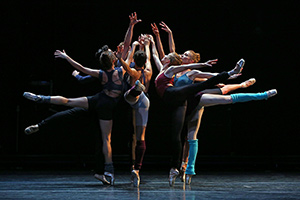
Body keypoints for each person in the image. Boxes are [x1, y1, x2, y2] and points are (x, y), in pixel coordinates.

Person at [150, 36, 277, 186]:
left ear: (191, 61)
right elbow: (165, 54)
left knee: (222, 99)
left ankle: (258, 94)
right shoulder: (170, 70)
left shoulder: (191, 72)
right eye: (182, 55)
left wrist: (225, 75)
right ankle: (181, 166)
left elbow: (209, 76)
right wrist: (159, 37)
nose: (182, 56)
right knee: (183, 136)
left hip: (194, 100)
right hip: (180, 104)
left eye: (186, 55)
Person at [24, 46, 126, 185]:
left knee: (68, 101)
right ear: (114, 60)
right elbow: (130, 53)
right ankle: (109, 171)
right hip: (106, 108)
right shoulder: (121, 70)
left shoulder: (100, 73)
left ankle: (42, 98)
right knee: (106, 140)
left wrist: (66, 58)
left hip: (96, 100)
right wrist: (136, 44)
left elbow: (82, 68)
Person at [116, 33, 153, 187]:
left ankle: (136, 90)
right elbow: (149, 58)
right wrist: (147, 46)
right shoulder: (149, 70)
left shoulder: (134, 71)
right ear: (144, 61)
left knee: (130, 96)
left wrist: (128, 50)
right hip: (145, 102)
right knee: (140, 137)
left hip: (134, 99)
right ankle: (137, 169)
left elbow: (126, 63)